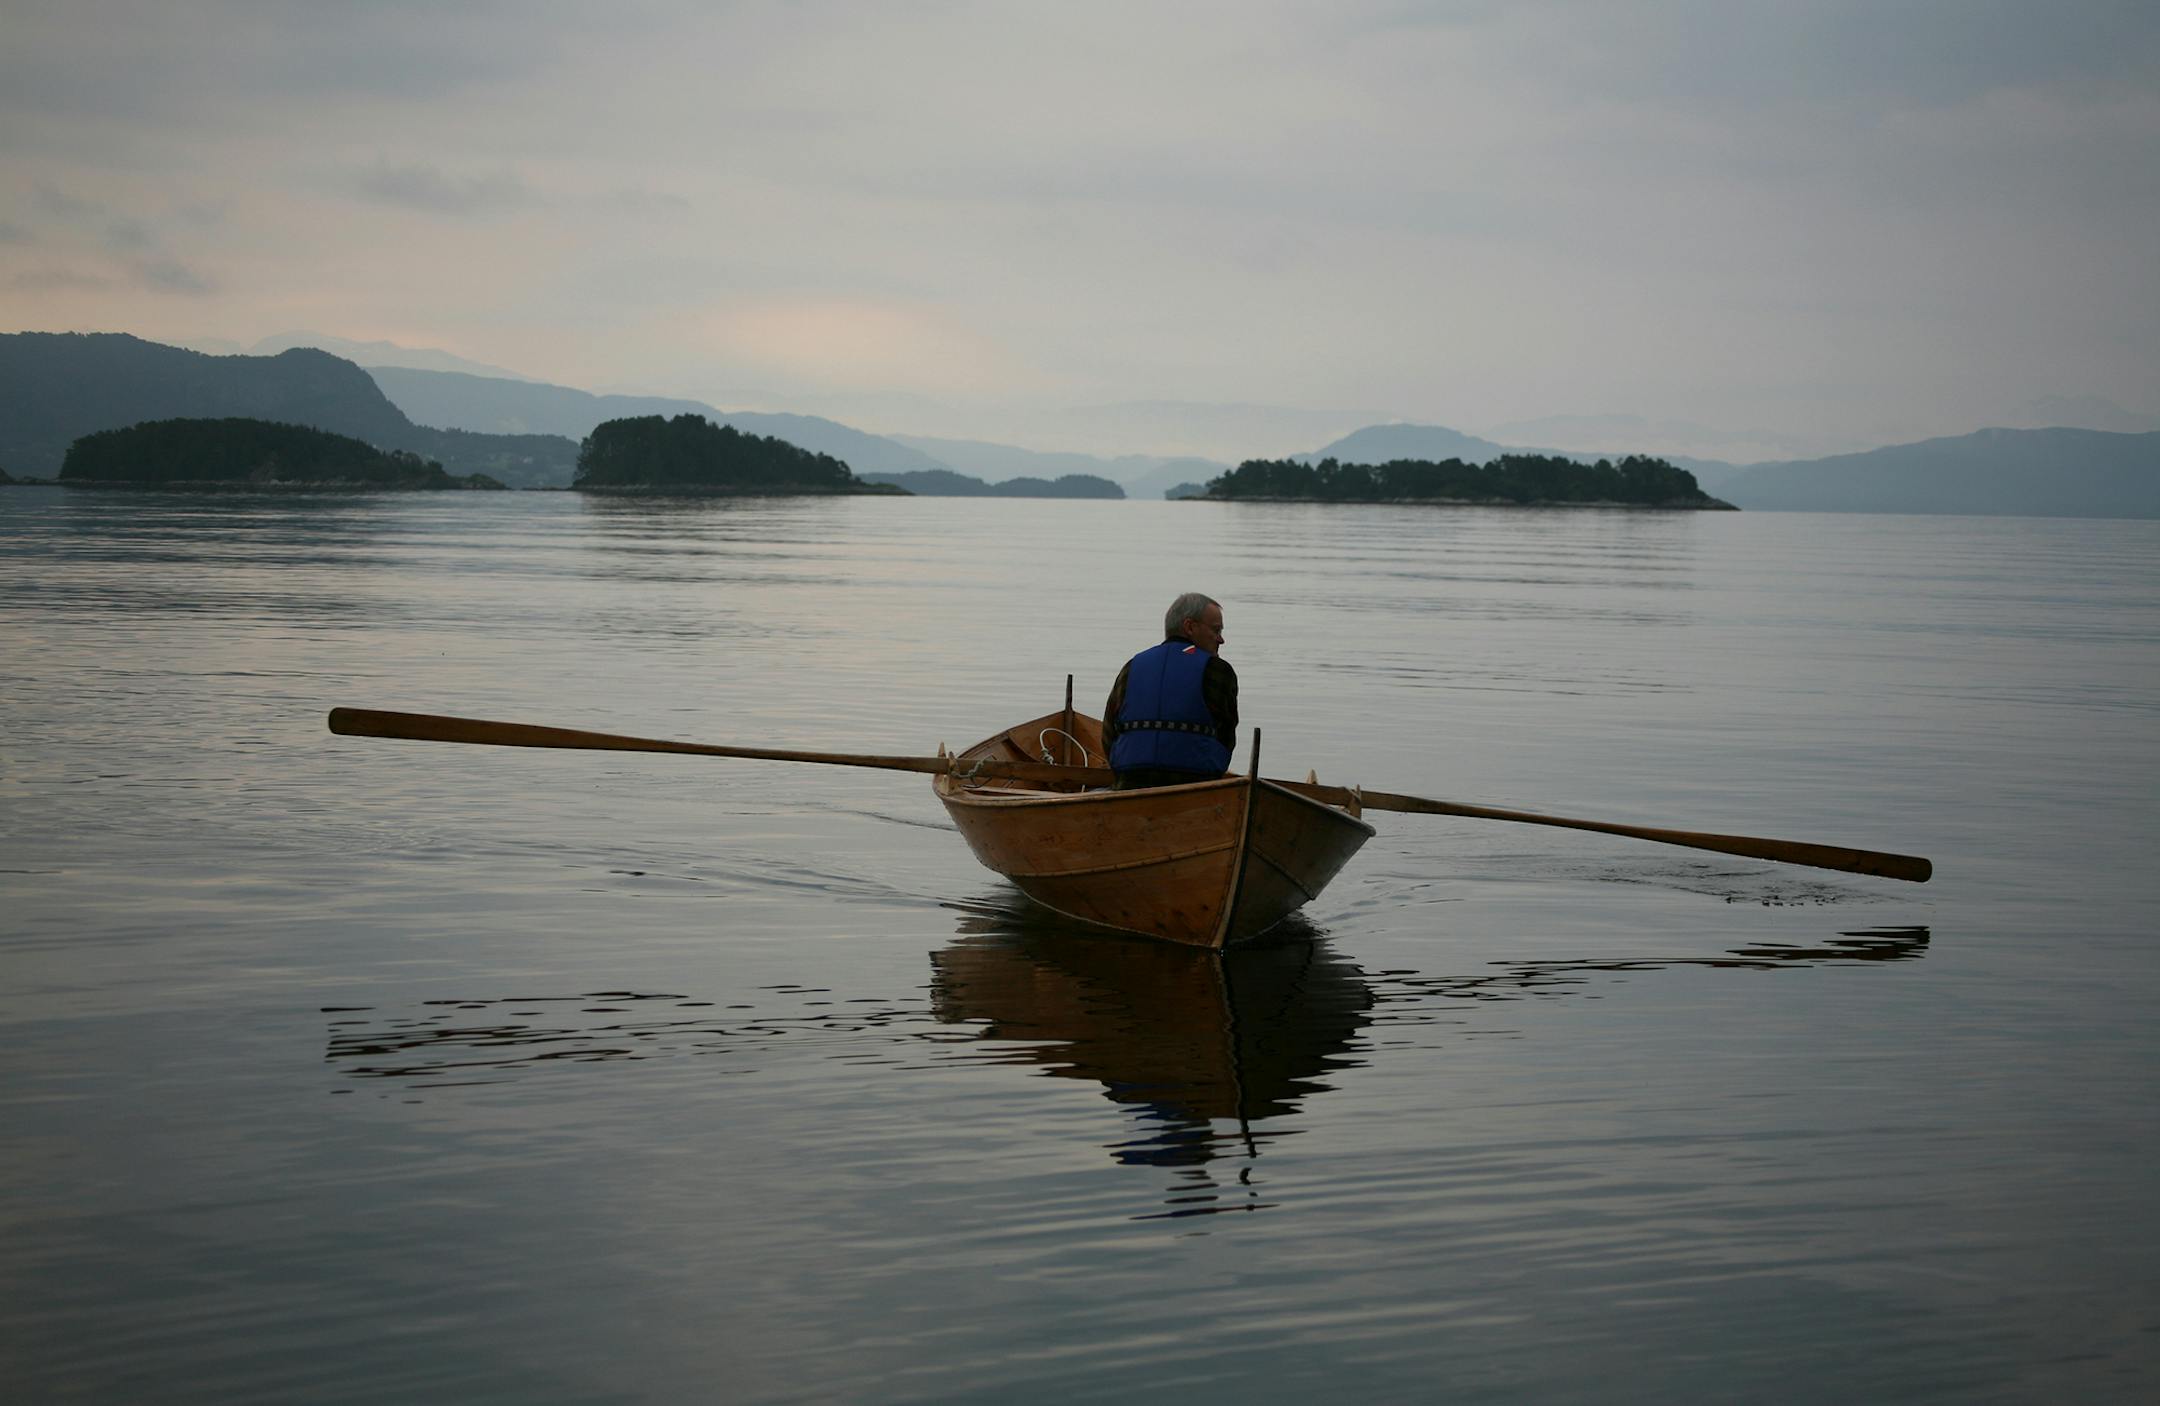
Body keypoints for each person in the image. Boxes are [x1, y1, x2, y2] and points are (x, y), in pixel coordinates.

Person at [1101, 592, 1238, 790]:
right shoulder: (1218, 670)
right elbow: (1226, 736)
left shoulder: (1131, 667)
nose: (1221, 639)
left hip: (1130, 782)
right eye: (1216, 630)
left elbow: (1108, 734)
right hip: (1196, 784)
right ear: (1190, 627)